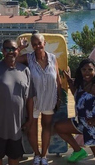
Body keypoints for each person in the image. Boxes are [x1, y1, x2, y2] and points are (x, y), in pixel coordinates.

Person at [0, 39, 33, 165]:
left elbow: (30, 98)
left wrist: (30, 119)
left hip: (17, 126)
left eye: (14, 49)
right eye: (7, 49)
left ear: (18, 51)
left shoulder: (25, 71)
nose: (11, 52)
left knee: (14, 158)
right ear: (3, 51)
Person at [54, 59, 95, 165]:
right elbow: (76, 94)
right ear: (80, 71)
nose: (87, 72)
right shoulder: (82, 85)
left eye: (90, 69)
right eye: (84, 69)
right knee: (59, 127)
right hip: (81, 123)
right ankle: (78, 150)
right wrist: (70, 81)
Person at [17, 32, 62, 165]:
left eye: (39, 43)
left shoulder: (53, 58)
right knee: (32, 127)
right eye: (34, 44)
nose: (37, 46)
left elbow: (58, 79)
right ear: (32, 45)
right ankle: (36, 154)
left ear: (44, 43)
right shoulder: (28, 58)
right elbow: (11, 60)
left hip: (49, 98)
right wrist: (20, 48)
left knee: (46, 126)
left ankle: (44, 156)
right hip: (33, 99)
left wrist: (59, 98)